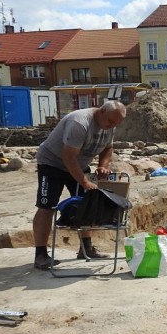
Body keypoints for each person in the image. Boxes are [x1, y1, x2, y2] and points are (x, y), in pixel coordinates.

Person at [32, 100, 127, 270]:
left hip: (79, 165)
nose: (112, 126)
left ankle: (86, 249)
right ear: (102, 111)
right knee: (46, 207)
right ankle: (40, 255)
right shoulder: (79, 122)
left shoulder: (110, 124)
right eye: (111, 121)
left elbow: (108, 149)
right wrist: (84, 182)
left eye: (116, 124)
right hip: (52, 164)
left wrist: (103, 166)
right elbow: (68, 157)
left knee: (88, 203)